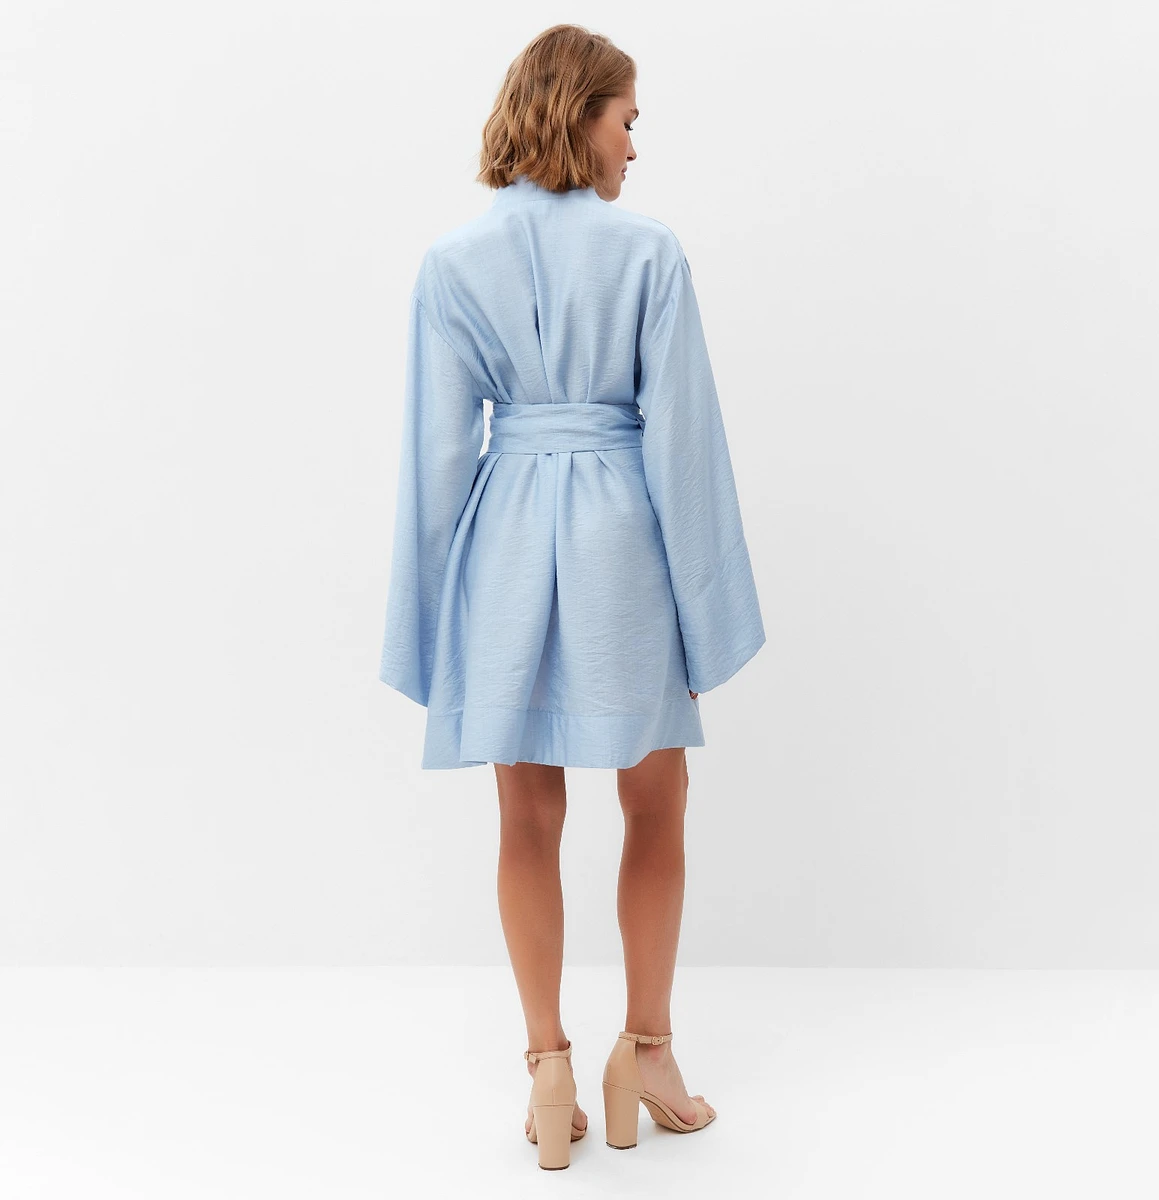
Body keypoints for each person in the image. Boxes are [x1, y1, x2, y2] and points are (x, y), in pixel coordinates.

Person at [379, 24, 765, 1169]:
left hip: (503, 536)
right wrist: (710, 616)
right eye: (626, 119)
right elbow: (682, 445)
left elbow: (436, 458)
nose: (634, 147)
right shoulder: (648, 253)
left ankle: (547, 1065)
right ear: (579, 110)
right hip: (618, 540)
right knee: (657, 798)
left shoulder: (452, 262)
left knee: (525, 814)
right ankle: (646, 1052)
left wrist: (427, 629)